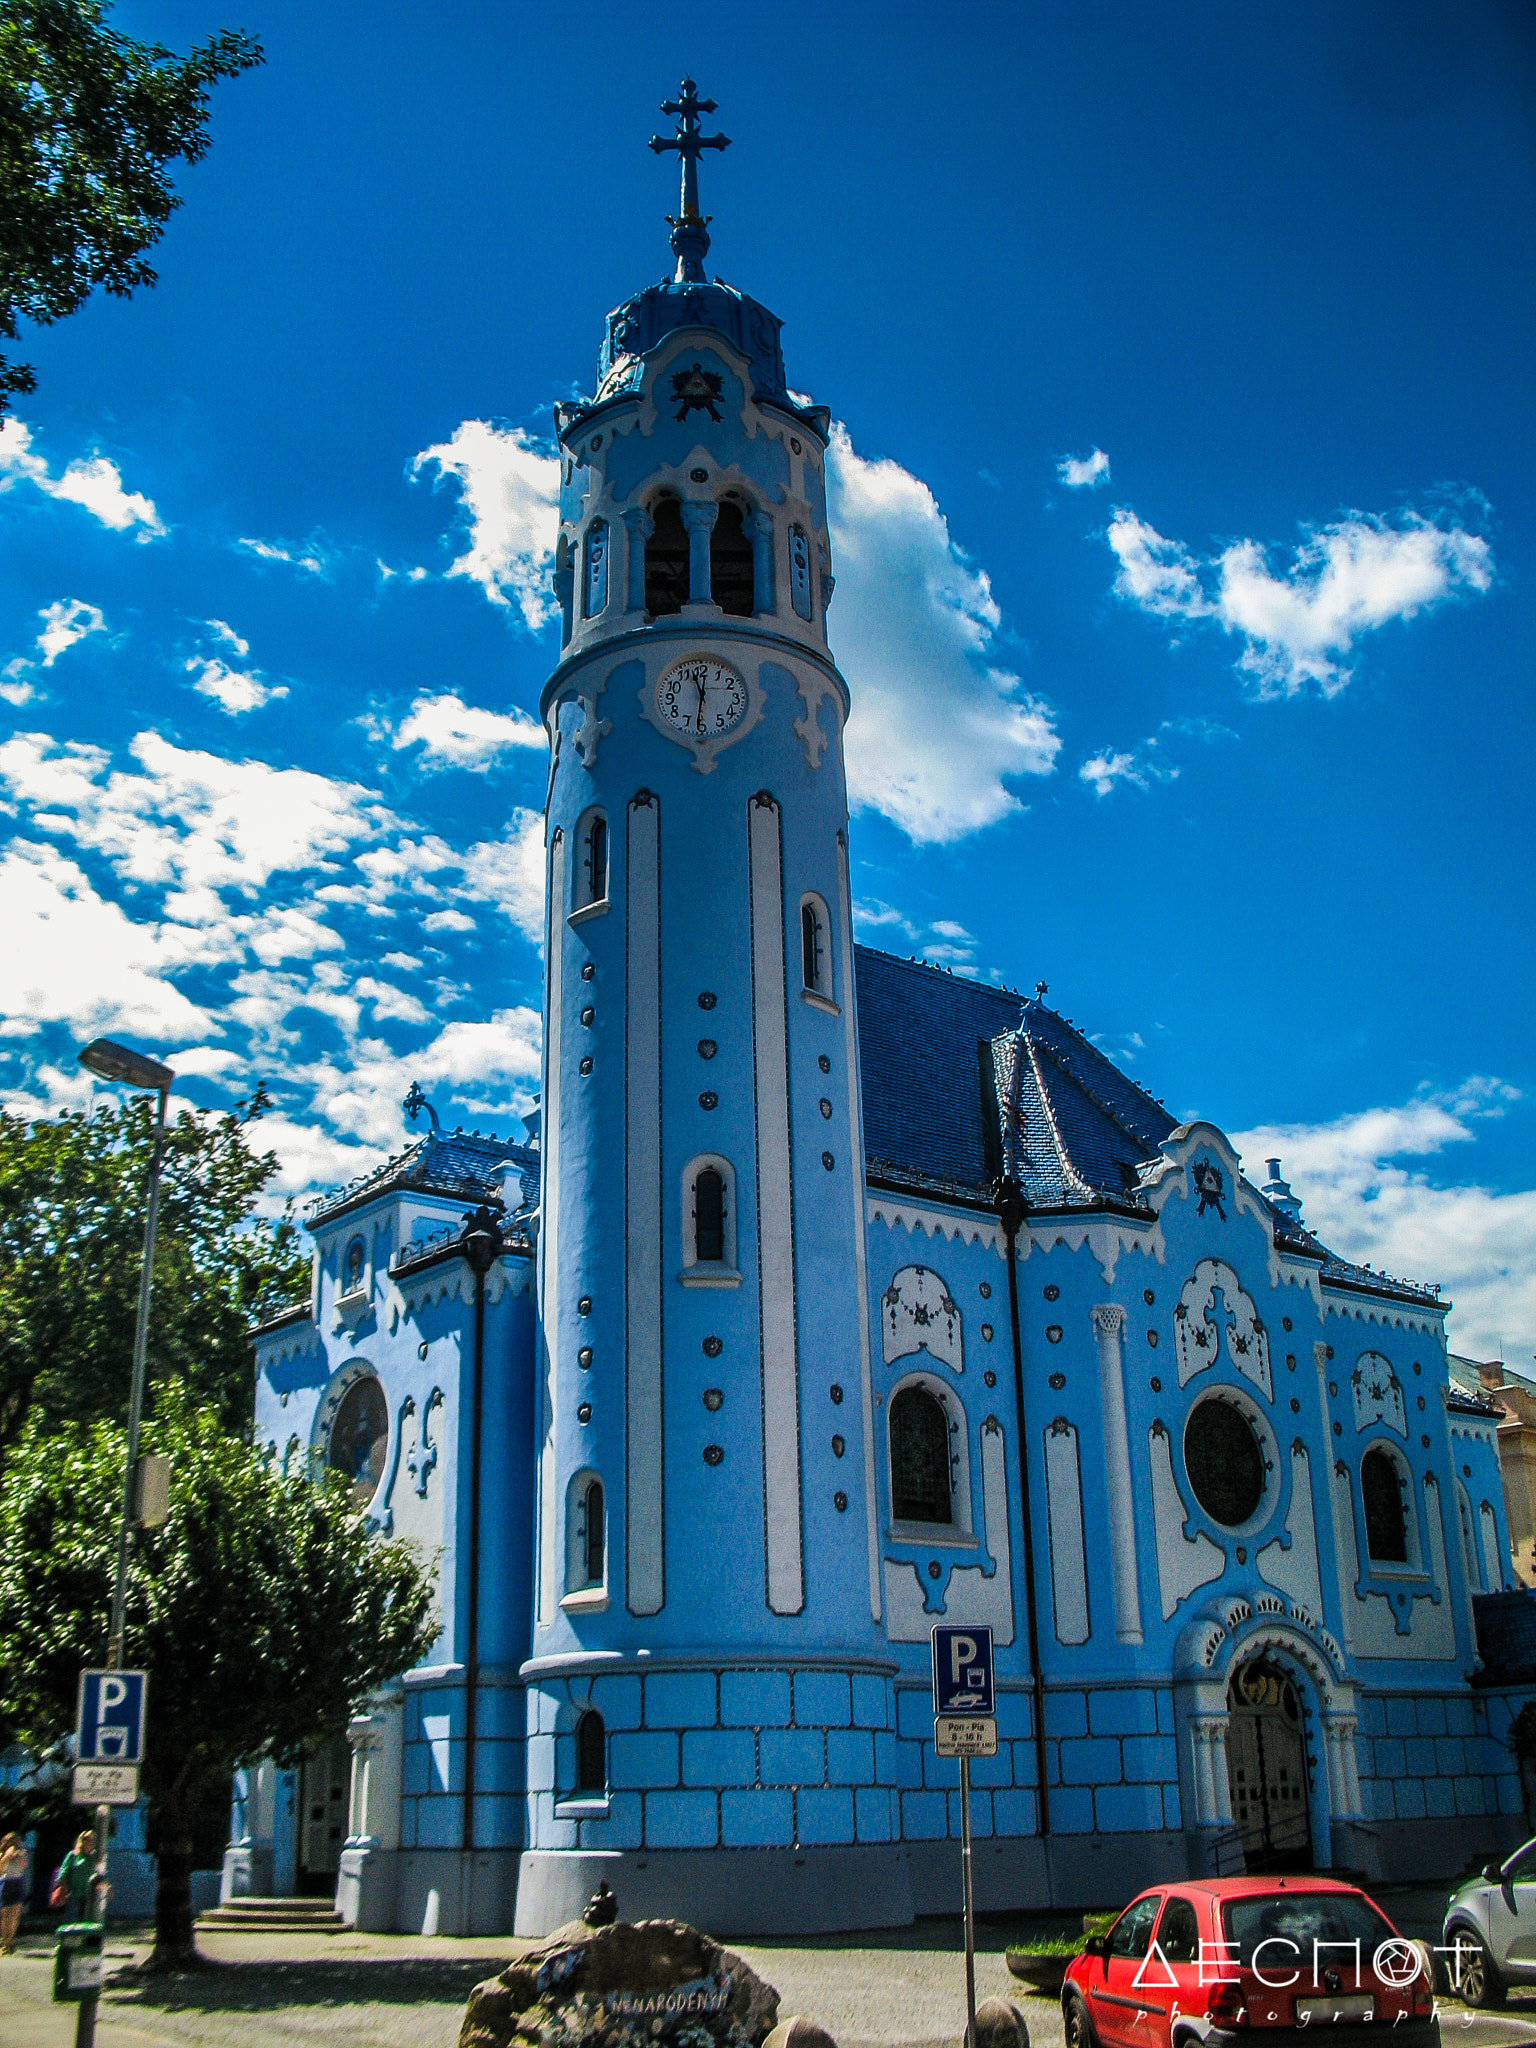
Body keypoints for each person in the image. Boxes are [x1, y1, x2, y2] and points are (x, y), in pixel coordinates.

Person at [55, 1831, 98, 1922]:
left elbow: (101, 1874)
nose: (90, 1842)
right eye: (87, 1839)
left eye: (92, 1840)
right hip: (74, 1894)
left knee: (88, 1923)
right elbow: (63, 1874)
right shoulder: (72, 1856)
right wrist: (63, 1889)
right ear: (82, 1841)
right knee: (73, 1923)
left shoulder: (95, 1857)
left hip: (90, 1896)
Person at [0, 1832, 27, 1951]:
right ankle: (4, 1940)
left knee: (14, 1915)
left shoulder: (21, 1853)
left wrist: (20, 1856)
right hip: (6, 1882)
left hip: (17, 1882)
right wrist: (6, 1857)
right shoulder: (2, 1854)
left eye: (13, 1841)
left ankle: (9, 1942)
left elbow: (23, 1867)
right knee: (4, 1915)